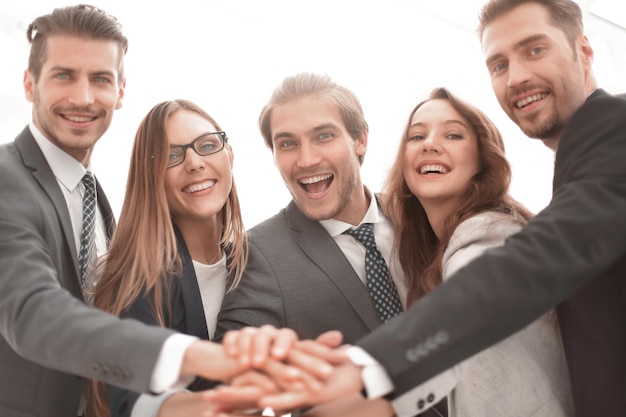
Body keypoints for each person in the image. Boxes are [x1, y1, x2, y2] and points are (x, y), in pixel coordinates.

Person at [220, 1, 625, 416]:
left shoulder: (610, 136)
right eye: (498, 64)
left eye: (534, 50)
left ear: (585, 50)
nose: (517, 75)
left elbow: (516, 279)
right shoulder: (422, 228)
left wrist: (370, 368)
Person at [0, 6, 274, 417]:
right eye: (63, 75)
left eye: (100, 79)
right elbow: (33, 313)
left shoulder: (95, 199)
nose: (83, 97)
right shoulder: (7, 178)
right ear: (29, 83)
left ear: (120, 92)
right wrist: (197, 358)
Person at [214, 73, 447, 416]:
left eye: (323, 136)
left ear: (360, 139)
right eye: (288, 143)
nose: (306, 159)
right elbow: (225, 380)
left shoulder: (425, 217)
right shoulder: (258, 254)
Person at [380, 87, 571, 415]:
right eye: (416, 136)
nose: (430, 143)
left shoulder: (479, 250)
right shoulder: (471, 242)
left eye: (453, 135)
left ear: (483, 160)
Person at [87, 99, 247, 417]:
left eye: (207, 145)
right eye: (172, 155)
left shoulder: (252, 264)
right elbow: (129, 403)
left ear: (229, 154)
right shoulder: (139, 281)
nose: (194, 162)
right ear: (152, 175)